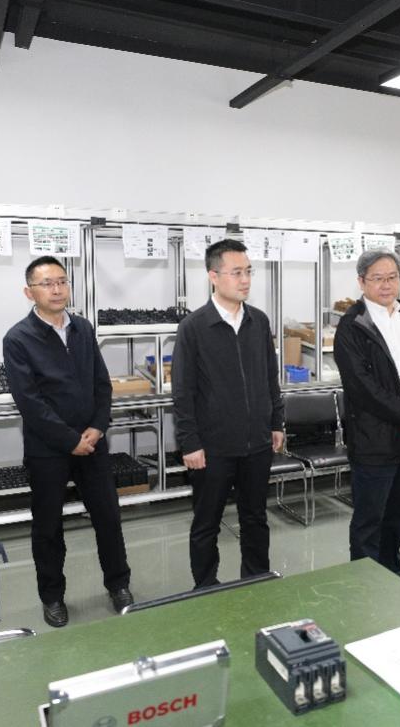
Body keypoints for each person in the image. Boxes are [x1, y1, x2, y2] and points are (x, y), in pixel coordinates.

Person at [2, 256, 133, 625]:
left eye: (62, 281)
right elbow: (30, 402)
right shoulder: (18, 339)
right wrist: (69, 439)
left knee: (108, 517)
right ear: (29, 292)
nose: (57, 289)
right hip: (48, 449)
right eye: (47, 283)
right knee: (48, 526)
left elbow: (101, 384)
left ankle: (119, 584)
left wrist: (98, 427)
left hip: (92, 443)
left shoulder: (82, 328)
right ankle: (52, 596)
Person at [172, 239, 284, 588]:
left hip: (257, 443)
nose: (245, 280)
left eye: (248, 272)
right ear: (213, 276)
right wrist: (190, 442)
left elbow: (270, 377)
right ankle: (206, 587)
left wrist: (276, 422)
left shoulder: (258, 321)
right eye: (236, 273)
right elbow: (183, 390)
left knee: (255, 518)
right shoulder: (194, 327)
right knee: (207, 522)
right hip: (213, 447)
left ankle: (256, 581)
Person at [333, 249, 400, 583]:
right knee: (369, 521)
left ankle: (393, 581)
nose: (386, 285)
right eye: (378, 278)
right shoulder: (352, 326)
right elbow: (362, 388)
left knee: (399, 514)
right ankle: (365, 590)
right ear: (362, 282)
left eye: (392, 277)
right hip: (374, 439)